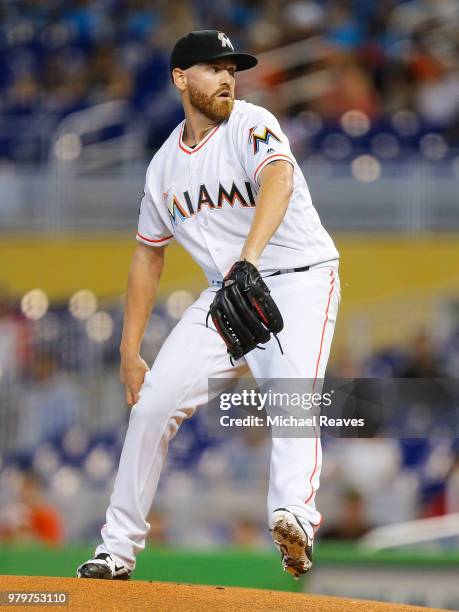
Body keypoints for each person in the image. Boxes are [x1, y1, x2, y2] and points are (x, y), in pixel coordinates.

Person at [77, 29, 340, 581]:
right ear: (180, 78)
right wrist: (130, 351)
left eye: (231, 68)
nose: (227, 77)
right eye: (212, 67)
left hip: (298, 277)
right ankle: (116, 550)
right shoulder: (162, 168)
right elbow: (147, 259)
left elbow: (279, 178)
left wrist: (248, 258)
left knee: (291, 395)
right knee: (152, 404)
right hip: (228, 291)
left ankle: (294, 516)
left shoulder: (250, 122)